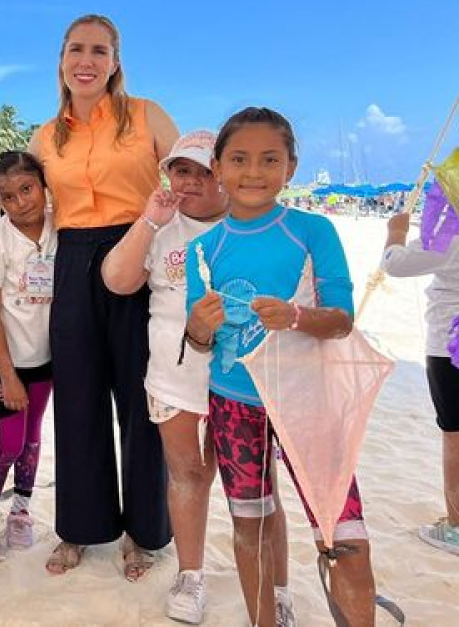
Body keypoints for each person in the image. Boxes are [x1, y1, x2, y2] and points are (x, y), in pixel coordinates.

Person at [186, 107, 376, 627]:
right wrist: (200, 326)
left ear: (290, 167)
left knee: (343, 536)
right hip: (234, 406)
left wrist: (297, 316)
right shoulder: (203, 248)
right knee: (251, 529)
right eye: (239, 159)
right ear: (218, 167)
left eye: (270, 159)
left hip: (307, 403)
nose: (254, 171)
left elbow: (342, 320)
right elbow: (198, 342)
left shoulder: (313, 232)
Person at [101, 131, 293, 623]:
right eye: (179, 170)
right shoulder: (162, 229)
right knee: (186, 473)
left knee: (259, 487)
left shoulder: (249, 229)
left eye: (201, 171)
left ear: (225, 176)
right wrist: (150, 220)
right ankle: (191, 575)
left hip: (246, 381)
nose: (188, 181)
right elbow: (117, 280)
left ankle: (277, 587)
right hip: (174, 377)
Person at [28, 14, 178, 576]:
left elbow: (188, 177)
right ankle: (80, 528)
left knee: (142, 399)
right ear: (61, 60)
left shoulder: (146, 114)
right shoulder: (46, 136)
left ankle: (145, 531)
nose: (85, 60)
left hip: (138, 250)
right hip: (70, 260)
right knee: (78, 396)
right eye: (75, 49)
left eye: (98, 50)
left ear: (115, 61)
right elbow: (25, 209)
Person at [0, 151, 56, 564]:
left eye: (27, 189)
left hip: (49, 358)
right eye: (8, 197)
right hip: (11, 361)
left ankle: (21, 509)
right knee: (9, 441)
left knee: (34, 435)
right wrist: (6, 374)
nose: (21, 202)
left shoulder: (61, 226)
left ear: (43, 186)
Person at [382, 202, 459, 556]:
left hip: (450, 342)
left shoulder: (449, 233)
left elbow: (396, 264)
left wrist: (396, 233)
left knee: (454, 434)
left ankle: (456, 527)